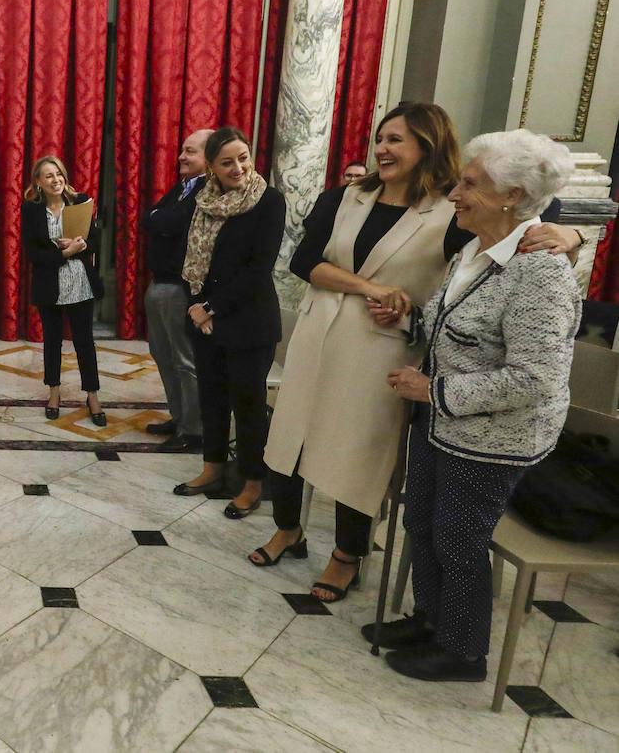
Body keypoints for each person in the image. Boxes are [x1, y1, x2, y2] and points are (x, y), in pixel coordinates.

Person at [255, 104, 585, 602]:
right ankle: (287, 529)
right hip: (319, 332)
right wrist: (366, 286)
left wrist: (574, 234)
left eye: (396, 140)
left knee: (358, 453)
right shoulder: (348, 196)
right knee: (290, 435)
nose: (382, 149)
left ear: (427, 147)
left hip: (385, 347)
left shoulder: (451, 205)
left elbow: (528, 212)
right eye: (380, 138)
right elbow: (305, 261)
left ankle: (347, 555)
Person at [367, 130, 579, 682]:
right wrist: (412, 320)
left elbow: (535, 377)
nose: (454, 192)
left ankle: (463, 653)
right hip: (444, 423)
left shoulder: (540, 273)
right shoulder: (475, 249)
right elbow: (460, 333)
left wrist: (432, 391)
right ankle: (431, 620)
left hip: (494, 436)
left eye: (469, 183)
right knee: (421, 522)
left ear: (511, 195)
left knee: (459, 539)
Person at [172, 127, 285, 517]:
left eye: (243, 157)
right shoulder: (203, 200)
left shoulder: (269, 201)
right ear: (212, 168)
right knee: (213, 400)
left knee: (248, 406)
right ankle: (212, 468)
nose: (238, 167)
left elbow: (258, 269)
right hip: (206, 320)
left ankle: (253, 482)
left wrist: (211, 308)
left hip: (250, 323)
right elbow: (191, 261)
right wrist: (196, 307)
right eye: (227, 162)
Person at [21, 155, 106, 426]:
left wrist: (82, 246)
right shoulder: (31, 210)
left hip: (80, 283)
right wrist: (65, 252)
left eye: (58, 174)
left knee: (84, 342)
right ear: (38, 182)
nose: (55, 180)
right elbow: (33, 253)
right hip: (50, 286)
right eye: (48, 176)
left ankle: (92, 396)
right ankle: (54, 393)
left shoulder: (80, 202)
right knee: (52, 341)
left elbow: (94, 242)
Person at [142, 129, 210, 450]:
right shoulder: (183, 186)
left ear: (209, 159)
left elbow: (170, 223)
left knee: (185, 360)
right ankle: (178, 417)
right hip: (159, 283)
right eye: (182, 150)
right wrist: (158, 217)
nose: (181, 156)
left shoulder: (207, 190)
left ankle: (193, 431)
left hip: (179, 287)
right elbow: (150, 217)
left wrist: (159, 218)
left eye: (190, 152)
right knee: (162, 354)